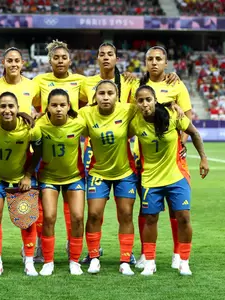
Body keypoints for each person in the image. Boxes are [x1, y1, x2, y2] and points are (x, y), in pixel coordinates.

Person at [78, 43, 180, 264]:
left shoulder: (131, 82)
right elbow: (72, 108)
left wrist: (172, 102)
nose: (106, 58)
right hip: (95, 151)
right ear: (96, 58)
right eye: (102, 54)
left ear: (116, 58)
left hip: (126, 153)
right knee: (94, 212)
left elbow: (147, 101)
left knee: (128, 212)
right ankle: (93, 253)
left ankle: (130, 254)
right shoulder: (85, 83)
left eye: (110, 54)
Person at [128, 85, 209, 276]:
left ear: (155, 100)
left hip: (176, 175)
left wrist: (204, 158)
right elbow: (119, 139)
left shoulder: (173, 115)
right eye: (140, 100)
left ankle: (184, 260)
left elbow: (194, 133)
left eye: (148, 99)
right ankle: (149, 262)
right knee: (150, 219)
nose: (145, 103)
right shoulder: (135, 123)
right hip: (150, 178)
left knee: (183, 217)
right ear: (136, 104)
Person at [135, 46, 194, 270]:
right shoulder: (137, 86)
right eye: (150, 59)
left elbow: (187, 117)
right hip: (146, 158)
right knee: (147, 209)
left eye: (159, 59)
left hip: (172, 158)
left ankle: (179, 254)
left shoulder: (175, 84)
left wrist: (183, 145)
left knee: (177, 208)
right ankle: (145, 254)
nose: (154, 62)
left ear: (166, 63)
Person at [0, 92, 41, 277]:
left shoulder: (29, 127)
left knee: (26, 218)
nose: (7, 110)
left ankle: (29, 261)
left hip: (21, 178)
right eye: (2, 106)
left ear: (18, 109)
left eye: (11, 106)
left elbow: (39, 150)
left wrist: (28, 175)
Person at [31, 40, 87, 262]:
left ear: (70, 60)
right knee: (45, 209)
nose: (60, 61)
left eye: (64, 58)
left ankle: (72, 245)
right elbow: (26, 98)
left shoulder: (80, 81)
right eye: (56, 58)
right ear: (49, 60)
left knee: (74, 210)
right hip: (44, 141)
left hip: (71, 141)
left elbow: (99, 97)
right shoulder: (40, 80)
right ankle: (39, 248)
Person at [0, 47, 41, 263]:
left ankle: (30, 250)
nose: (14, 64)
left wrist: (35, 117)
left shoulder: (33, 84)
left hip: (26, 148)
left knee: (29, 209)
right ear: (3, 62)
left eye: (17, 60)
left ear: (23, 63)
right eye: (10, 60)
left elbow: (41, 108)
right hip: (3, 145)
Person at [79, 80, 139, 276]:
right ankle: (94, 257)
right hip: (98, 172)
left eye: (110, 93)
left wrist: (173, 106)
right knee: (94, 215)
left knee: (126, 214)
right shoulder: (86, 113)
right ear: (95, 97)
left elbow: (151, 104)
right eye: (101, 93)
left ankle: (125, 259)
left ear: (117, 96)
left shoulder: (128, 109)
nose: (105, 97)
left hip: (125, 173)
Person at [34, 89, 87, 276]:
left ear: (68, 106)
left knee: (78, 217)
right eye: (54, 105)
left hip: (74, 177)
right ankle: (48, 261)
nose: (58, 109)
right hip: (48, 177)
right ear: (47, 107)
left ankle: (74, 261)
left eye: (62, 105)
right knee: (49, 217)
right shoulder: (40, 124)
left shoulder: (79, 123)